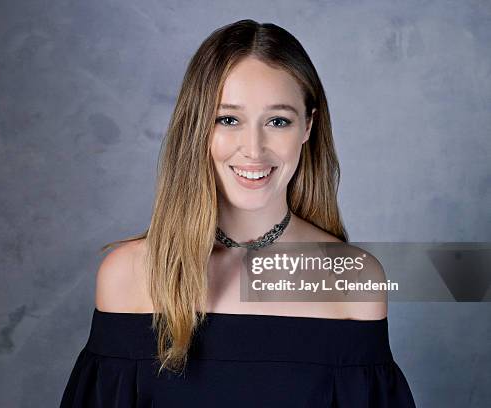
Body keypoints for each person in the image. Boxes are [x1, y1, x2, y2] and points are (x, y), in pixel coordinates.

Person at [60, 19, 416, 407]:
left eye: (278, 121)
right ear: (198, 126)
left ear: (308, 126)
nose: (253, 148)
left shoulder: (355, 281)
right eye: (228, 119)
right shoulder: (127, 275)